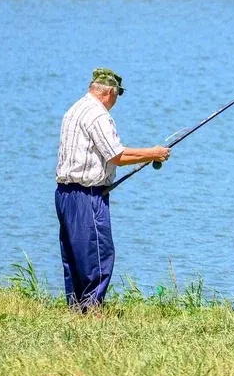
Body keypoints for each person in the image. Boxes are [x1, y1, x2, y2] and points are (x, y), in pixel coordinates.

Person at [54, 67, 169, 309]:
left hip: (65, 194)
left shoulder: (74, 110)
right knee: (98, 252)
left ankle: (76, 307)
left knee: (74, 254)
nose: (116, 101)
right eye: (118, 95)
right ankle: (92, 308)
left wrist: (148, 155)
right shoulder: (98, 115)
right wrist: (154, 153)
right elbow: (116, 155)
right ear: (110, 92)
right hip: (88, 195)